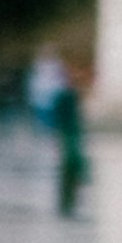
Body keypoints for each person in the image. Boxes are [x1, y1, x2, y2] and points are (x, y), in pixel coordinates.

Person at [47, 62, 90, 219]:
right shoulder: (64, 95)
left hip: (71, 136)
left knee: (69, 173)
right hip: (68, 137)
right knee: (68, 171)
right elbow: (61, 118)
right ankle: (66, 205)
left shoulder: (70, 94)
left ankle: (67, 205)